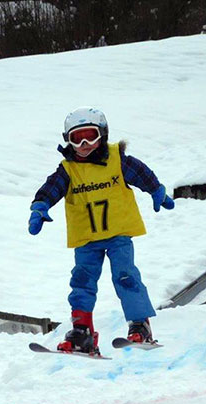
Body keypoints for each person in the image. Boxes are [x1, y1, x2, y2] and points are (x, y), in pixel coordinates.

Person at [28, 106, 175, 355]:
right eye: (77, 138)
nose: (84, 144)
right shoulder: (68, 170)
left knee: (125, 276)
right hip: (86, 238)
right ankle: (82, 331)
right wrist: (40, 206)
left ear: (103, 135)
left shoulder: (117, 160)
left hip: (118, 233)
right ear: (68, 141)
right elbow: (51, 188)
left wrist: (156, 190)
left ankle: (140, 325)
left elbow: (142, 174)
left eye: (90, 136)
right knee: (81, 282)